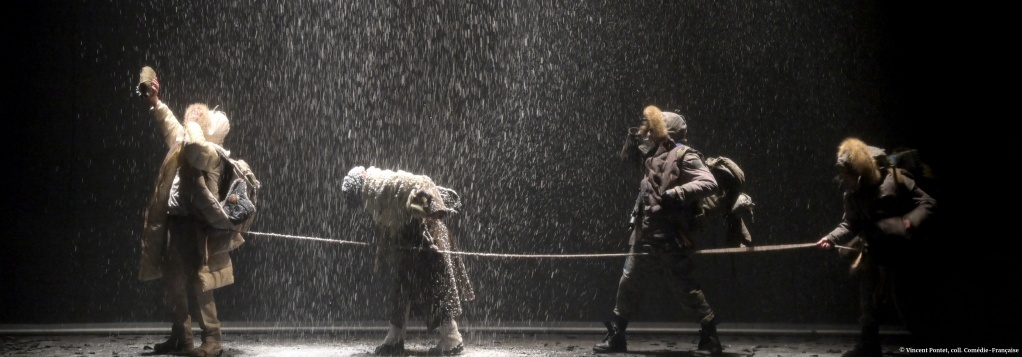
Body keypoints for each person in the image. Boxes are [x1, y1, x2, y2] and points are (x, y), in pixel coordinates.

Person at [137, 68, 253, 357]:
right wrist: (155, 101)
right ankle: (181, 336)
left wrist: (225, 222)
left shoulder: (208, 155)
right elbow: (170, 127)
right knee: (173, 282)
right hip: (177, 226)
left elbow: (203, 188)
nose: (190, 124)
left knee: (203, 283)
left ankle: (212, 339)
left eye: (196, 122)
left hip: (198, 229)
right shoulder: (186, 146)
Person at [595, 105, 724, 355]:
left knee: (686, 289)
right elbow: (627, 157)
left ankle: (710, 338)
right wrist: (634, 136)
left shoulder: (685, 155)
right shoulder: (651, 155)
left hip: (671, 236)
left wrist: (678, 193)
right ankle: (617, 335)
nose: (649, 133)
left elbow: (709, 182)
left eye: (654, 129)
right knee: (628, 284)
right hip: (644, 234)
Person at [815, 137, 936, 357]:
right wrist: (831, 238)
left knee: (906, 303)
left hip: (903, 255)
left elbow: (928, 202)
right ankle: (869, 345)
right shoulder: (851, 194)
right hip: (876, 254)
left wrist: (906, 222)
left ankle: (931, 344)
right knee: (868, 301)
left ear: (859, 172)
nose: (843, 180)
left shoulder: (894, 180)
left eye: (847, 175)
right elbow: (850, 223)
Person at [342, 166, 475, 356]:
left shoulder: (381, 185)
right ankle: (395, 338)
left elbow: (420, 185)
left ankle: (452, 340)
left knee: (432, 288)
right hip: (409, 244)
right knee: (401, 289)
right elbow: (392, 219)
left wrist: (418, 215)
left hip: (426, 240)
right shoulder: (375, 194)